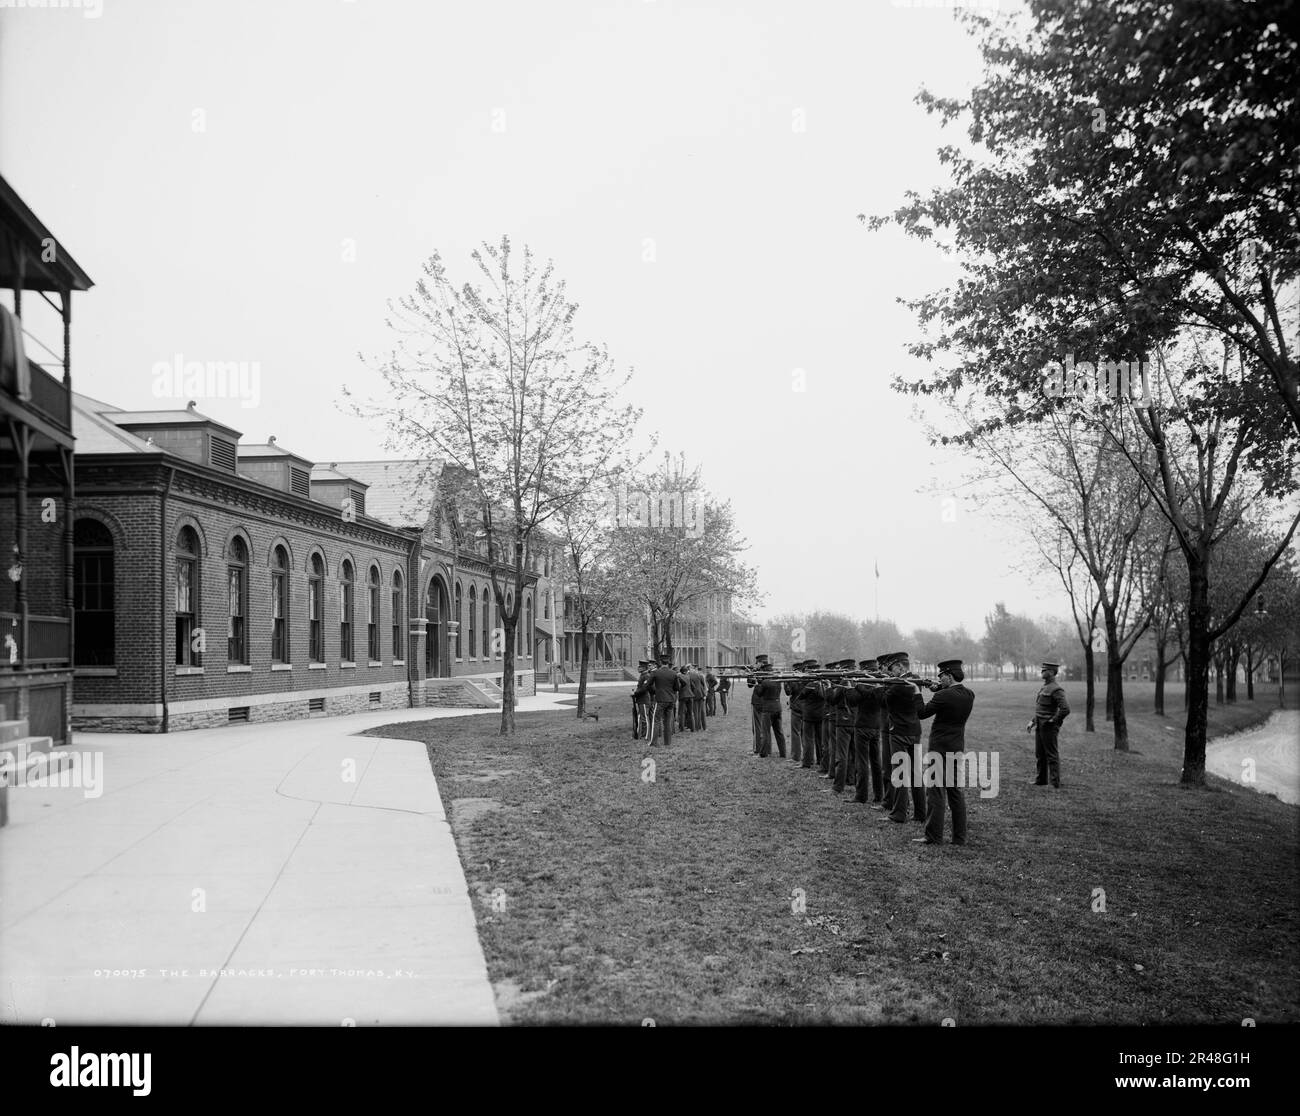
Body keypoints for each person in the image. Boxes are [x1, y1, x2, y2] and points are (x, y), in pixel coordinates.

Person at [914, 659, 975, 845]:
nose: (940, 680)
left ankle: (933, 836)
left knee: (935, 792)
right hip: (956, 747)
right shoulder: (969, 694)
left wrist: (916, 692)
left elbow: (921, 712)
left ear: (948, 676)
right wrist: (939, 689)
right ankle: (959, 837)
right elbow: (951, 696)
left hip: (939, 748)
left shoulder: (943, 696)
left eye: (942, 677)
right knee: (955, 792)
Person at [880, 652, 927, 824]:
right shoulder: (916, 680)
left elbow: (883, 701)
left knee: (899, 772)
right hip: (914, 730)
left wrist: (883, 684)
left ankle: (899, 813)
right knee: (915, 773)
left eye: (892, 669)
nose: (891, 673)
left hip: (899, 732)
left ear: (900, 667)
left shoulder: (898, 685)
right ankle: (921, 813)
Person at [1029, 661, 1069, 788]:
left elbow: (1065, 709)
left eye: (1044, 670)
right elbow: (1041, 709)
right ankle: (1041, 779)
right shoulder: (1044, 688)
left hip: (1048, 726)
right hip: (1040, 725)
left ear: (1052, 672)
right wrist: (1033, 721)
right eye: (1042, 669)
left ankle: (1055, 782)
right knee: (1040, 754)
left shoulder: (1056, 689)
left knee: (1051, 754)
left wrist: (1053, 721)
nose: (1042, 672)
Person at [852, 659, 886, 805]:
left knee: (862, 762)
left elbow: (853, 700)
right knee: (876, 762)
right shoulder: (881, 683)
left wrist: (854, 685)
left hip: (863, 726)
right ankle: (879, 795)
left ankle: (861, 796)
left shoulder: (864, 685)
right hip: (876, 726)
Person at [827, 661, 859, 793]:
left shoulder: (844, 683)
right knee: (853, 753)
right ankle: (851, 779)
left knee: (842, 755)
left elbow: (832, 699)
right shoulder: (860, 682)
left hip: (843, 721)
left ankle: (838, 786)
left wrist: (829, 686)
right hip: (856, 720)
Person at [646, 655, 684, 747]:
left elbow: (648, 685)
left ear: (660, 662)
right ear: (668, 662)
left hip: (660, 700)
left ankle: (654, 742)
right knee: (667, 721)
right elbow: (677, 687)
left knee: (656, 720)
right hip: (671, 700)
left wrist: (654, 692)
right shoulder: (673, 673)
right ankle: (667, 742)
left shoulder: (656, 673)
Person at [798, 661, 828, 771]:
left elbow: (801, 696)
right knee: (820, 739)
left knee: (808, 739)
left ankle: (807, 761)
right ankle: (820, 760)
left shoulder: (810, 685)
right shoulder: (824, 684)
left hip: (809, 715)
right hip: (820, 714)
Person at [754, 662, 788, 758]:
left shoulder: (765, 682)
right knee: (779, 732)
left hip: (768, 709)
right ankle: (783, 753)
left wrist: (758, 683)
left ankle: (764, 753)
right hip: (777, 707)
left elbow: (759, 694)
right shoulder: (778, 680)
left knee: (766, 732)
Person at [785, 662, 808, 765]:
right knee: (806, 734)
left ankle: (796, 756)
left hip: (797, 708)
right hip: (806, 708)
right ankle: (807, 757)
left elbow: (788, 692)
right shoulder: (808, 678)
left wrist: (786, 682)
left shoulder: (794, 680)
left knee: (796, 733)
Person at [631, 659, 653, 739]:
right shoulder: (642, 675)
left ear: (644, 668)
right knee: (641, 717)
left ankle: (646, 735)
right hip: (641, 699)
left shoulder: (646, 676)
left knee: (644, 718)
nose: (638, 668)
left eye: (640, 667)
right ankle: (641, 734)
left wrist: (635, 693)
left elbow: (644, 688)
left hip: (644, 699)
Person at [689, 665, 707, 730]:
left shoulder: (689, 676)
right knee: (702, 711)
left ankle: (697, 727)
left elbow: (691, 686)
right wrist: (704, 694)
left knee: (696, 712)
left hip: (694, 695)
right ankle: (704, 727)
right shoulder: (700, 675)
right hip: (701, 694)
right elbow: (704, 686)